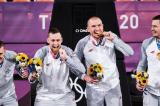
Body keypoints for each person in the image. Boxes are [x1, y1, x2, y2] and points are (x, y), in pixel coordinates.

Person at [74, 16, 134, 106]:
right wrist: (83, 76)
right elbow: (74, 64)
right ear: (88, 29)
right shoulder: (82, 43)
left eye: (99, 25)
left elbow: (130, 52)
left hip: (113, 86)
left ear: (103, 26)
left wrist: (115, 39)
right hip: (94, 88)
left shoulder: (111, 38)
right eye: (93, 26)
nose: (97, 28)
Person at [29, 28, 86, 106]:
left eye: (58, 40)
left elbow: (82, 70)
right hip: (44, 97)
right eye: (52, 40)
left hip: (65, 97)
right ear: (48, 40)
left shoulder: (68, 51)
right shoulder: (41, 52)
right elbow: (32, 77)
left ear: (61, 40)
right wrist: (32, 76)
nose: (55, 43)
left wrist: (66, 58)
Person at [136, 15, 160, 106]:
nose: (152, 29)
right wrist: (139, 81)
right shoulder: (146, 43)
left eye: (155, 26)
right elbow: (142, 66)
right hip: (150, 91)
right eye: (151, 26)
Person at [0, 40, 28, 106]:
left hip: (9, 97)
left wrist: (23, 73)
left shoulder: (13, 56)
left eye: (0, 54)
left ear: (4, 51)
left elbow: (20, 69)